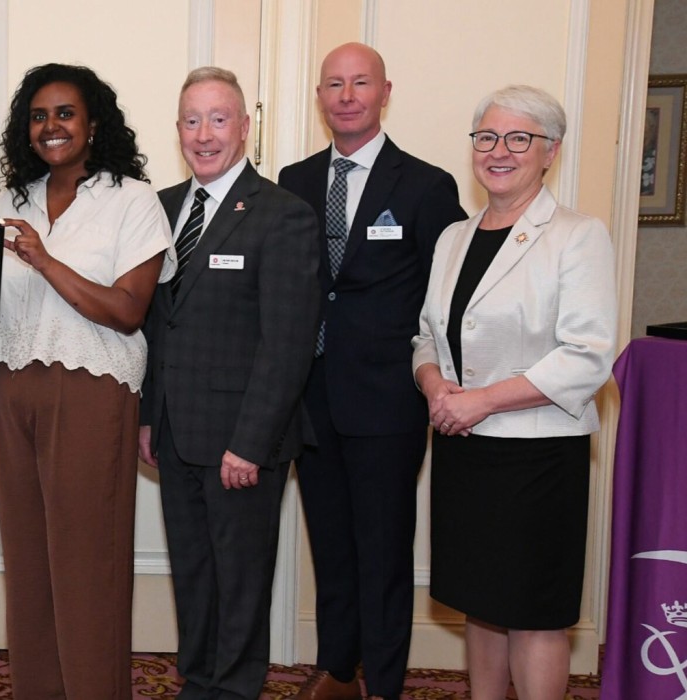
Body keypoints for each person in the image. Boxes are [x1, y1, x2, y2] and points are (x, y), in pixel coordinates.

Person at [412, 85, 616, 700]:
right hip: (463, 448)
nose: (499, 151)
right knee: (481, 603)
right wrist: (434, 386)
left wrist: (482, 399)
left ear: (550, 151)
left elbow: (587, 355)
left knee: (534, 612)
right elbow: (426, 335)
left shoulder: (578, 236)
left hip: (536, 454)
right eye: (487, 138)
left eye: (518, 138)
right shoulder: (453, 237)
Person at [277, 43, 466, 700]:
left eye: (360, 83)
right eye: (334, 84)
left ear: (386, 92)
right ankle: (338, 665)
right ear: (320, 95)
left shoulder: (425, 185)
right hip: (311, 395)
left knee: (382, 549)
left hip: (388, 399)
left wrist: (443, 379)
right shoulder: (294, 181)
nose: (347, 95)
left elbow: (449, 296)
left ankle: (382, 683)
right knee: (330, 544)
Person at [0, 63, 174, 699]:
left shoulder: (133, 199)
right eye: (39, 116)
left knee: (85, 567)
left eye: (65, 113)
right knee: (30, 565)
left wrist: (43, 258)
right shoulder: (10, 203)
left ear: (93, 122)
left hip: (92, 392)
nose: (51, 127)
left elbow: (128, 310)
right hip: (12, 390)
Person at [138, 67, 320, 700]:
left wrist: (250, 443)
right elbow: (157, 328)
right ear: (178, 129)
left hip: (242, 441)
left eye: (219, 119)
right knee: (193, 572)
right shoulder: (159, 210)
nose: (204, 134)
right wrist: (146, 418)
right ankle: (198, 681)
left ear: (245, 127)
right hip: (174, 430)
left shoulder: (283, 216)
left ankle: (236, 689)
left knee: (240, 578)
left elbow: (288, 345)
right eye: (192, 120)